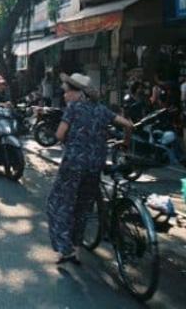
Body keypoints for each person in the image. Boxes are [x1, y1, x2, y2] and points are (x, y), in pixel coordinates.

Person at [47, 73, 133, 265]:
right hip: (94, 167)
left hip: (73, 165)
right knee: (83, 208)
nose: (65, 95)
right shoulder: (102, 110)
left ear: (79, 93)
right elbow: (128, 125)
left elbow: (59, 135)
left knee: (59, 205)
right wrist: (125, 143)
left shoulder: (73, 109)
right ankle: (76, 251)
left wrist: (71, 142)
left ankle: (65, 250)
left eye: (67, 92)